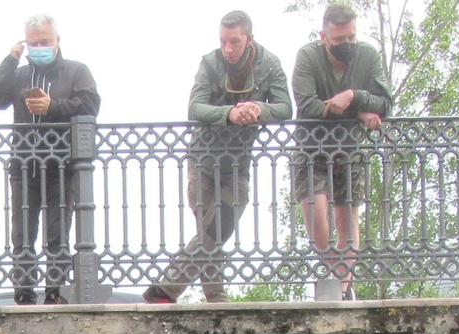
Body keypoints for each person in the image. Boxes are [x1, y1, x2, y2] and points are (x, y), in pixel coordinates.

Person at [143, 11, 292, 304]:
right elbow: (195, 107)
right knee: (211, 232)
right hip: (203, 160)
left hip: (238, 163)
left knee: (217, 227)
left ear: (249, 39)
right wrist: (229, 113)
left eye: (234, 42)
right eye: (223, 41)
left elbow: (285, 107)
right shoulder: (209, 63)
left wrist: (259, 109)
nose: (228, 49)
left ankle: (166, 288)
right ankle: (215, 295)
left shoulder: (269, 64)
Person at [0, 14, 101, 305]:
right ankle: (23, 290)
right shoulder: (19, 75)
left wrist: (53, 106)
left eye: (44, 42)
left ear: (57, 40)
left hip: (62, 166)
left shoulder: (76, 71)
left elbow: (90, 105)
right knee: (22, 231)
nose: (39, 47)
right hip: (24, 165)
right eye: (33, 43)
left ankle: (55, 290)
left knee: (57, 232)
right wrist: (10, 61)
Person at [291, 4, 392, 299]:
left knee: (347, 217)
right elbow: (307, 106)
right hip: (312, 150)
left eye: (351, 38)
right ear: (324, 36)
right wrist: (359, 111)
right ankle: (334, 275)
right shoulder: (307, 56)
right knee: (316, 213)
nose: (347, 44)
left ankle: (342, 289)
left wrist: (353, 96)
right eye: (339, 40)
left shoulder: (369, 56)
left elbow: (385, 103)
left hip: (350, 151)